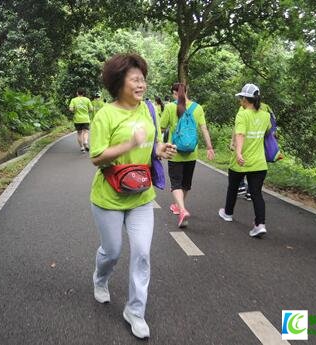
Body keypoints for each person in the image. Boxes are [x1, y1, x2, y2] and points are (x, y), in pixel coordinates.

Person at [89, 53, 176, 339]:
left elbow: (151, 144)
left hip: (141, 196)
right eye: (135, 79)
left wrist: (159, 149)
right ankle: (100, 279)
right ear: (119, 82)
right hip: (109, 197)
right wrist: (129, 143)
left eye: (143, 79)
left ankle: (135, 310)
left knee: (141, 253)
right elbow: (97, 157)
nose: (142, 84)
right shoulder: (105, 114)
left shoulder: (148, 109)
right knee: (112, 251)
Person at [218, 83, 271, 238]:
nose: (240, 101)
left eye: (241, 98)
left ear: (246, 100)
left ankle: (228, 213)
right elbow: (268, 131)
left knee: (233, 188)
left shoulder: (242, 114)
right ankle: (260, 224)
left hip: (241, 161)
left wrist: (239, 152)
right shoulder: (265, 115)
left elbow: (240, 134)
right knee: (256, 194)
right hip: (259, 162)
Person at [160, 83, 215, 228]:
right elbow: (204, 129)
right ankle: (179, 207)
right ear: (187, 91)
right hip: (192, 153)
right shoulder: (198, 108)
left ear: (174, 93)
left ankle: (182, 209)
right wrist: (209, 147)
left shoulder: (170, 107)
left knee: (176, 183)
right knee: (185, 183)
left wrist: (159, 146)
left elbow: (161, 127)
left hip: (174, 151)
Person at [69, 88, 93, 152]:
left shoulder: (73, 100)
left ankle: (82, 147)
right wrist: (86, 111)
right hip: (85, 119)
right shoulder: (87, 100)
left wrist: (75, 111)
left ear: (77, 93)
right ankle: (85, 141)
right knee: (85, 131)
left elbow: (71, 109)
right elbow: (91, 109)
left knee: (79, 133)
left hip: (77, 119)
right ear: (83, 93)